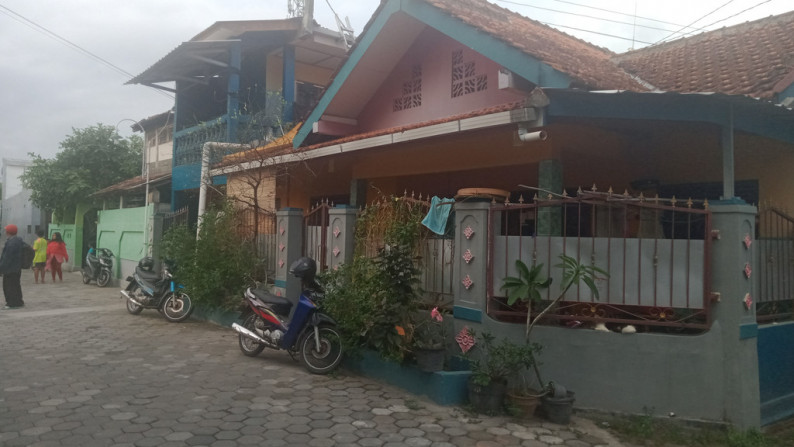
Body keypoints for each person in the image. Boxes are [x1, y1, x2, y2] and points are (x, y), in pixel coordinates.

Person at [0, 224, 25, 309]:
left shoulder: (11, 243)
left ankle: (11, 303)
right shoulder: (18, 240)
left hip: (10, 268)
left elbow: (7, 258)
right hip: (16, 267)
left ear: (8, 232)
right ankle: (18, 302)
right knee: (16, 285)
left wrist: (1, 268)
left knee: (8, 286)